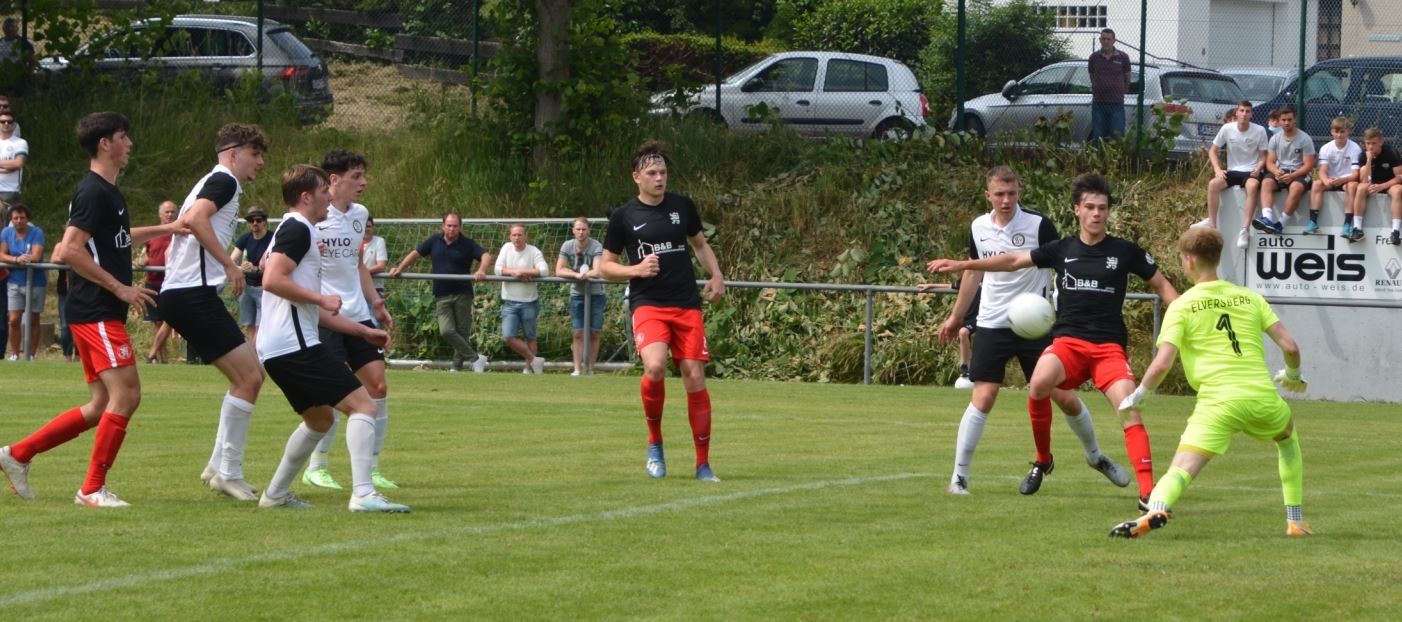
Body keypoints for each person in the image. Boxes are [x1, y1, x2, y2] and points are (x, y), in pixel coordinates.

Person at [930, 173, 1179, 509]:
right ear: (1077, 209)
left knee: (1128, 408)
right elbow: (1012, 261)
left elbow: (1162, 286)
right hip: (1066, 343)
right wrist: (963, 264)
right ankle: (1041, 459)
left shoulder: (1125, 251)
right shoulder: (1063, 248)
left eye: (1102, 208)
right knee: (1038, 384)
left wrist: (1185, 318)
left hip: (1108, 348)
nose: (1096, 213)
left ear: (1108, 211)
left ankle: (1147, 493)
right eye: (1089, 207)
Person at [0, 111, 183, 507]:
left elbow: (118, 238)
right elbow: (68, 249)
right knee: (127, 394)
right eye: (123, 137)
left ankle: (18, 454)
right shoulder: (93, 191)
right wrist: (120, 287)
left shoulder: (108, 192)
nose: (129, 144)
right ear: (105, 143)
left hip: (96, 311)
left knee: (102, 404)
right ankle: (91, 489)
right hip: (96, 309)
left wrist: (167, 229)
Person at [1109, 227, 1310, 538]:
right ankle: (1295, 521)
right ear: (1217, 258)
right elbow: (1291, 347)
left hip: (1218, 403)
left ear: (1189, 260)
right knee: (1287, 441)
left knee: (1181, 468)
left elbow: (1162, 363)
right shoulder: (1249, 297)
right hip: (1262, 398)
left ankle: (1156, 509)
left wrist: (1139, 394)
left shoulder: (1182, 306)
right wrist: (1293, 375)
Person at [255, 164, 408, 513]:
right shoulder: (298, 228)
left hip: (279, 347)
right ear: (306, 197)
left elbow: (306, 305)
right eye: (324, 190)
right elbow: (272, 279)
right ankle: (363, 494)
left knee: (320, 420)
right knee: (364, 406)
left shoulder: (299, 230)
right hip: (295, 345)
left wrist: (363, 330)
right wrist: (321, 298)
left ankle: (275, 494)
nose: (329, 196)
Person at [600, 140, 726, 482]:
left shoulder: (682, 206)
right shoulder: (624, 216)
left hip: (685, 303)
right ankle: (655, 443)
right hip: (649, 304)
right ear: (636, 177)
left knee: (694, 376)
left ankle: (703, 465)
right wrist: (636, 270)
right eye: (652, 173)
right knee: (655, 367)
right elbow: (605, 266)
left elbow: (700, 244)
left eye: (663, 172)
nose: (660, 178)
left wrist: (716, 274)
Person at [159, 122, 268, 501]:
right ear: (234, 154)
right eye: (255, 154)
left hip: (186, 293)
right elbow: (194, 220)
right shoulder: (224, 181)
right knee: (250, 378)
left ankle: (218, 466)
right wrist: (229, 264)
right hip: (192, 294)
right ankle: (228, 473)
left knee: (250, 376)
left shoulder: (212, 181)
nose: (260, 162)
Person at [300, 149, 397, 492]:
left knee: (378, 387)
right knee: (333, 392)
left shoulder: (360, 215)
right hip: (327, 318)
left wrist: (376, 303)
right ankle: (317, 466)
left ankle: (372, 467)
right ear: (334, 180)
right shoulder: (313, 217)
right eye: (356, 176)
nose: (363, 183)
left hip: (359, 314)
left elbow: (357, 264)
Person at [389, 213, 492, 372]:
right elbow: (415, 253)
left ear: (460, 227)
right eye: (449, 225)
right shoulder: (434, 241)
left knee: (462, 332)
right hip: (441, 294)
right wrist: (400, 268)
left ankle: (456, 368)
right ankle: (475, 358)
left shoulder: (467, 243)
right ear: (443, 226)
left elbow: (485, 255)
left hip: (462, 293)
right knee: (446, 331)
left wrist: (482, 270)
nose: (451, 229)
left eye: (455, 226)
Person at [1198, 100, 1267, 250]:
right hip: (1233, 170)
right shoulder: (1227, 128)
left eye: (1248, 111)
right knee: (1213, 184)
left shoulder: (1260, 130)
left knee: (1253, 186)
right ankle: (1212, 223)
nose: (1244, 114)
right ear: (1237, 113)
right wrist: (1217, 169)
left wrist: (1258, 168)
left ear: (1251, 114)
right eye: (1242, 111)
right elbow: (1212, 151)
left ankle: (1244, 230)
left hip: (1251, 171)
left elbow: (1263, 156)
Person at [1252, 106, 1316, 236]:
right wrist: (1276, 172)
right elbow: (1270, 162)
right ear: (1280, 121)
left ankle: (1280, 224)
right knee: (1266, 183)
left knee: (1296, 188)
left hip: (1299, 173)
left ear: (1294, 120)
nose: (1286, 123)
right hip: (1281, 172)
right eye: (1284, 120)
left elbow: (1309, 165)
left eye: (1289, 120)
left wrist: (1292, 176)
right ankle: (1267, 219)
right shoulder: (1275, 139)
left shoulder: (1305, 139)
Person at [496, 223, 549, 374]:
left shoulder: (534, 251)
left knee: (530, 337)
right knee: (508, 336)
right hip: (509, 302)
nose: (517, 238)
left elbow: (544, 270)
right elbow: (497, 269)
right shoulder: (506, 248)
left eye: (520, 235)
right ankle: (534, 360)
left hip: (529, 302)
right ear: (510, 236)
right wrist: (515, 273)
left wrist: (524, 272)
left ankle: (529, 368)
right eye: (514, 235)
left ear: (526, 236)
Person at [556, 216, 606, 376]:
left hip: (596, 293)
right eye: (578, 229)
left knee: (594, 333)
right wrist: (576, 275)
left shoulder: (596, 245)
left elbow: (597, 271)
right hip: (577, 294)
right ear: (573, 230)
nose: (581, 232)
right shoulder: (567, 245)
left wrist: (584, 275)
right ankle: (577, 369)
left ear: (588, 230)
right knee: (578, 333)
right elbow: (559, 270)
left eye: (584, 229)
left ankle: (590, 369)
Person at [0, 202, 43, 360]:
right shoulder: (6, 232)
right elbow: (2, 254)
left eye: (22, 218)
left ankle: (31, 354)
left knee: (33, 319)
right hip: (14, 281)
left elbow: (36, 256)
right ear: (11, 220)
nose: (19, 221)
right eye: (15, 218)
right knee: (13, 320)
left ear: (27, 219)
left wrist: (28, 258)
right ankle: (14, 354)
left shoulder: (37, 232)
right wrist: (17, 259)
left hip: (36, 282)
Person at [1346, 127, 1402, 244]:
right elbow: (1364, 179)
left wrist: (1383, 186)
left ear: (1381, 142)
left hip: (1389, 183)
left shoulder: (1392, 153)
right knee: (1361, 188)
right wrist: (1369, 160)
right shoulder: (1363, 155)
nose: (1370, 147)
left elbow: (1399, 177)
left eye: (1374, 143)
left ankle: (1395, 232)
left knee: (1398, 190)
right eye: (1368, 143)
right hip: (1371, 183)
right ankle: (1357, 229)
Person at [1308, 116, 1361, 236]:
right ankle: (1313, 222)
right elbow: (1322, 171)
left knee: (1352, 186)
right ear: (1332, 131)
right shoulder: (1325, 148)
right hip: (1331, 180)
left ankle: (1347, 224)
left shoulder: (1355, 148)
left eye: (1342, 132)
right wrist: (1326, 180)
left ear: (1348, 131)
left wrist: (1342, 180)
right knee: (1316, 184)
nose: (1339, 135)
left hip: (1347, 180)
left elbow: (1355, 175)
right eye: (1336, 132)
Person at [139, 200, 177, 363]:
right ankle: (162, 359)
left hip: (172, 283)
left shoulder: (179, 233)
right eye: (167, 212)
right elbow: (147, 255)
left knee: (170, 320)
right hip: (153, 283)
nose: (170, 215)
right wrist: (141, 261)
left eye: (172, 212)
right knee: (157, 322)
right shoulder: (152, 233)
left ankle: (152, 354)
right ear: (160, 214)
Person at [230, 206, 271, 343]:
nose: (255, 223)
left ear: (264, 221)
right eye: (251, 220)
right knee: (249, 325)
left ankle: (254, 352)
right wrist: (241, 268)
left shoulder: (272, 239)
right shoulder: (245, 238)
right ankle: (253, 353)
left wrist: (256, 269)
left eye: (258, 220)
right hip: (247, 288)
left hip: (264, 288)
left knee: (261, 326)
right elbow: (230, 261)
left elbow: (275, 265)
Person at [1088, 28, 1131, 141]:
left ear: (1114, 41)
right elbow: (1092, 76)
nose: (1106, 41)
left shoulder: (1123, 57)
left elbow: (1127, 77)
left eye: (1108, 39)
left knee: (1117, 136)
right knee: (1098, 136)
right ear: (1100, 40)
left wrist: (1122, 90)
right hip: (1098, 103)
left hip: (1116, 103)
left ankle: (1117, 153)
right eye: (1103, 39)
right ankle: (1099, 153)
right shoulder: (1094, 58)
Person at [0, 107, 26, 208]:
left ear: (14, 124)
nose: (6, 124)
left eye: (9, 122)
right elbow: (12, 165)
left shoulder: (20, 143)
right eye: (3, 122)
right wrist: (8, 167)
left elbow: (19, 163)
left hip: (10, 190)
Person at [361, 216, 388, 299]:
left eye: (368, 226)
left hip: (375, 288)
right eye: (363, 226)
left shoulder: (379, 241)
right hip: (356, 287)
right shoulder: (353, 242)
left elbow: (381, 266)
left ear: (373, 227)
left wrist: (361, 273)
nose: (365, 229)